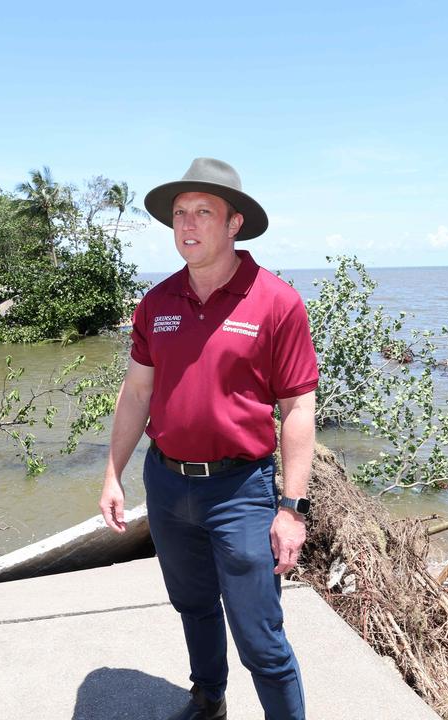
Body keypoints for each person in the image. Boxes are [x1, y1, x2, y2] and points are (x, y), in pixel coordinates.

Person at [99, 158, 318, 720]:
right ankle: (208, 698)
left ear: (234, 223)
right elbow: (136, 394)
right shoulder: (157, 303)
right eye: (179, 215)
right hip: (168, 486)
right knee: (192, 605)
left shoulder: (276, 302)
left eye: (203, 212)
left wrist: (291, 507)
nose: (188, 226)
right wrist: (112, 475)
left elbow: (296, 407)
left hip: (240, 490)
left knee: (259, 634)